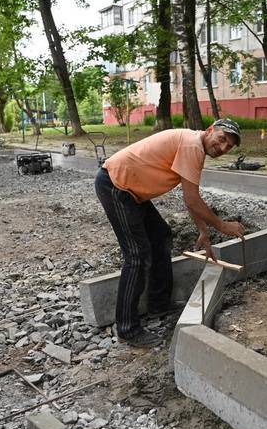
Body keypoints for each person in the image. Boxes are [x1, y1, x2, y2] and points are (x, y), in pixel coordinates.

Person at [95, 119, 245, 347]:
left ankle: (158, 304)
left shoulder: (195, 146)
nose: (223, 147)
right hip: (116, 186)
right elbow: (193, 200)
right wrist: (223, 226)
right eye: (222, 139)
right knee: (137, 256)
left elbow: (190, 197)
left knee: (161, 235)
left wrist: (203, 231)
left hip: (131, 191)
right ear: (210, 130)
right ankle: (127, 328)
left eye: (229, 146)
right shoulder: (192, 146)